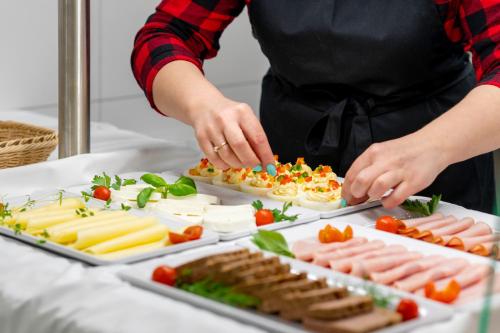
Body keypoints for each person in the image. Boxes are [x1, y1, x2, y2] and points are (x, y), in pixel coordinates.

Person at [131, 0, 500, 213]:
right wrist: (203, 105)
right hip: (288, 170)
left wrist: (431, 146)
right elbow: (165, 34)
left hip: (433, 170)